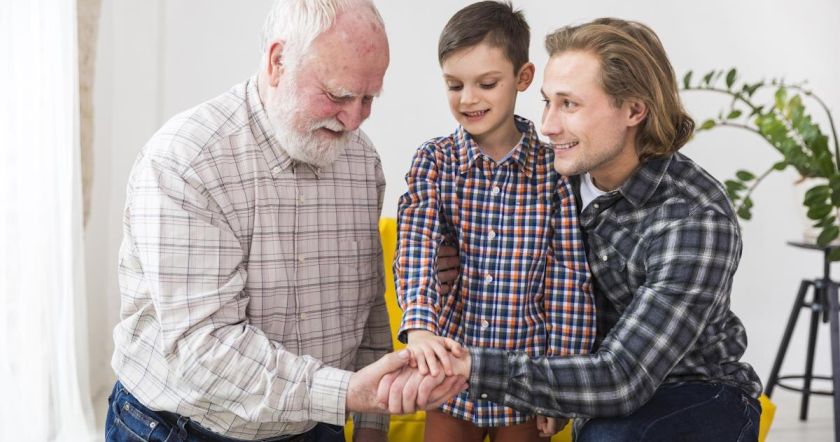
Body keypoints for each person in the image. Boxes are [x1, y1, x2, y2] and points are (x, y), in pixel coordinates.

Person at [386, 18, 763, 442]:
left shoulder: (693, 217)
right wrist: (449, 256)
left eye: (569, 104)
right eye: (547, 101)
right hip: (585, 383)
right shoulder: (550, 175)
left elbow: (622, 376)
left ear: (633, 110)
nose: (547, 126)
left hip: (692, 391)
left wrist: (469, 365)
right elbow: (446, 235)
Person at [105, 1, 464, 441]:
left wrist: (372, 426)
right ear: (278, 62)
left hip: (319, 424)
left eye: (368, 98)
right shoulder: (186, 162)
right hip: (180, 429)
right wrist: (350, 393)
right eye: (337, 95)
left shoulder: (361, 159)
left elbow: (368, 305)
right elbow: (204, 350)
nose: (354, 119)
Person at [394, 2, 596, 440]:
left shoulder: (554, 171)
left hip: (525, 379)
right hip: (449, 373)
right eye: (454, 85)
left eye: (486, 84)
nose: (468, 99)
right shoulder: (435, 161)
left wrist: (559, 386)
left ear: (523, 77)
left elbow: (567, 281)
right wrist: (420, 327)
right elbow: (416, 244)